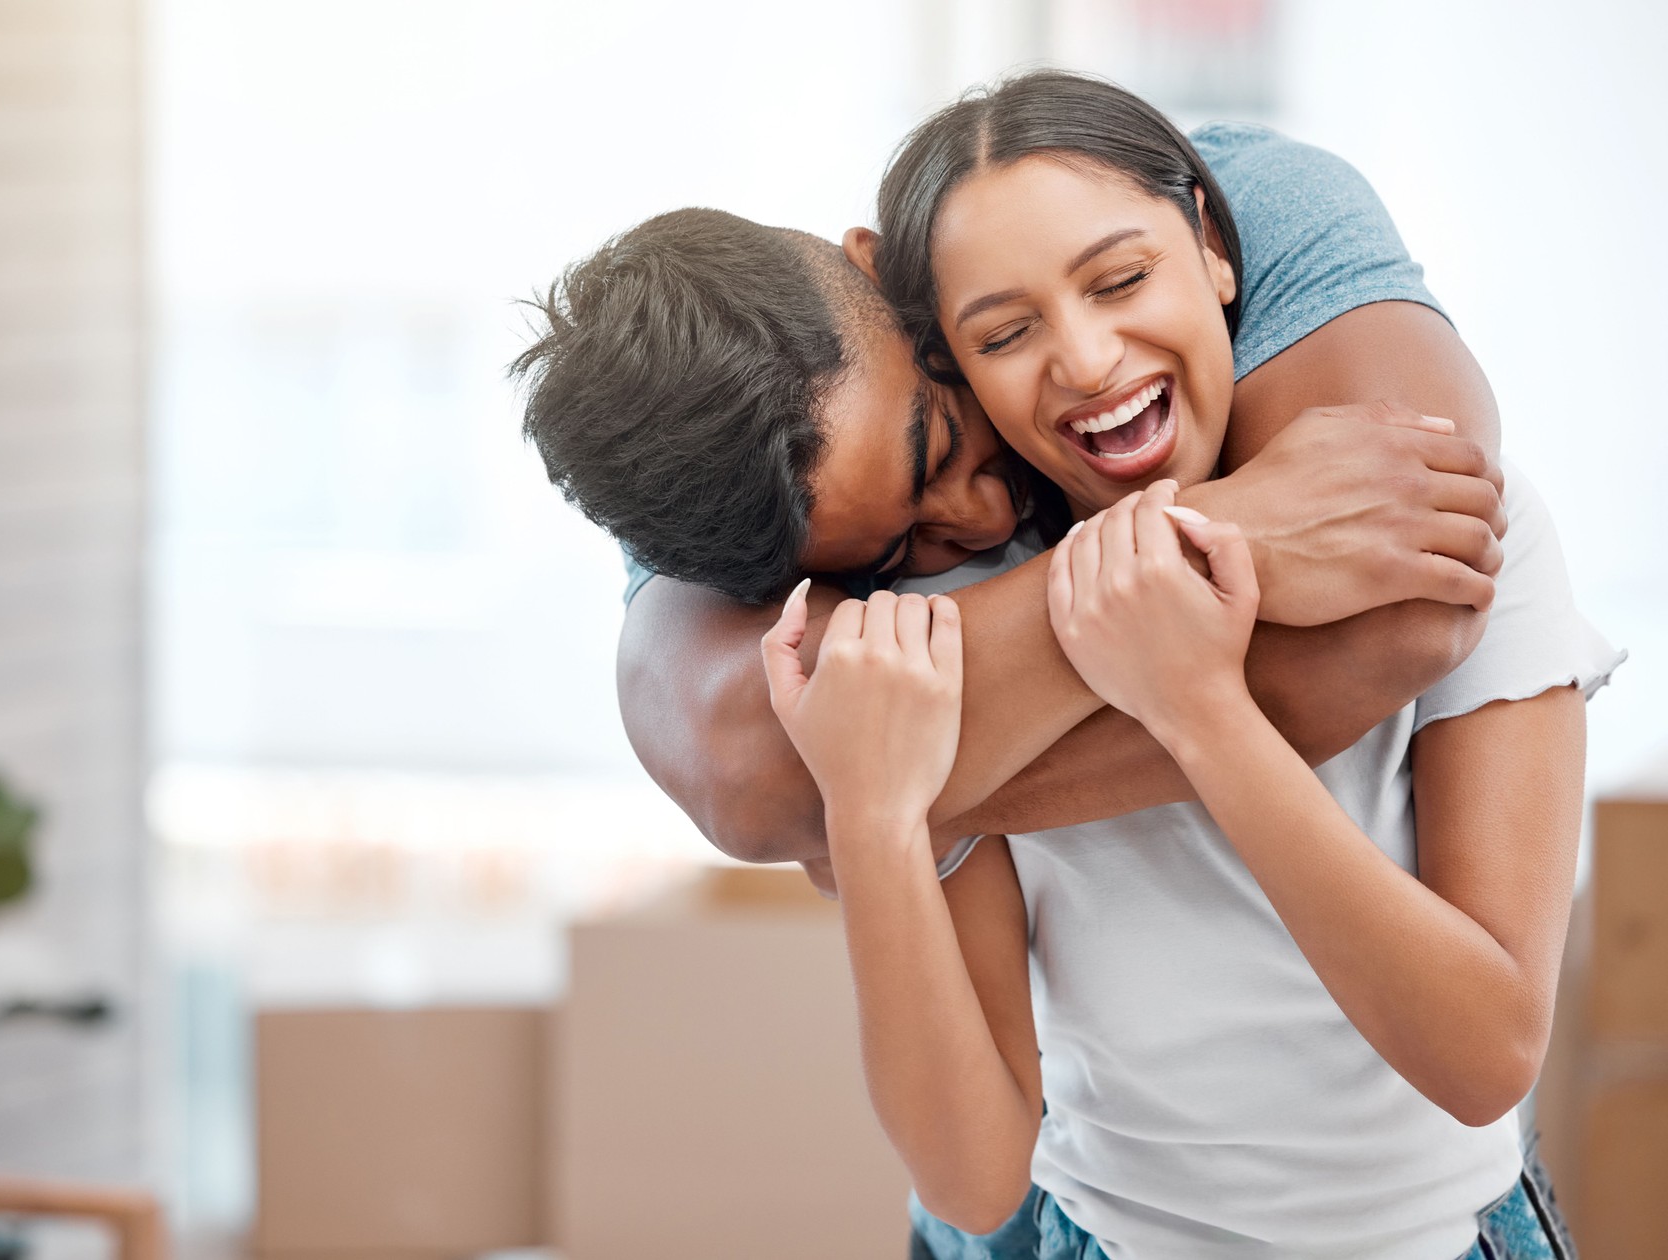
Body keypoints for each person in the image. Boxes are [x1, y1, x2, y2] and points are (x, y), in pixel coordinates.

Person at [759, 70, 1619, 1258]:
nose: (1089, 357)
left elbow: (1483, 1057)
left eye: (1121, 279)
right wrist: (870, 813)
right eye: (1005, 333)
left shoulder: (1452, 519)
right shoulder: (947, 629)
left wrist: (1202, 709)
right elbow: (968, 1178)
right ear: (950, 366)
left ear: (1213, 248)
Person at [514, 108, 1511, 900]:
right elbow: (752, 787)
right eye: (907, 550)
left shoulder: (1249, 204)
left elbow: (1409, 593)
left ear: (880, 272)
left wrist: (885, 793)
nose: (982, 524)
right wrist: (1232, 532)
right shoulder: (707, 474)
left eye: (940, 442)